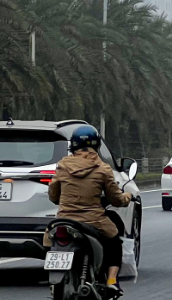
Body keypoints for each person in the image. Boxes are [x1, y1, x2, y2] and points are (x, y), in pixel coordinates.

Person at [48, 125, 134, 295]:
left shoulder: (62, 166)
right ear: (96, 146)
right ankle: (111, 281)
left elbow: (53, 195)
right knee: (115, 241)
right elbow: (115, 199)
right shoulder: (103, 169)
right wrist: (128, 197)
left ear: (72, 146)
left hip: (65, 219)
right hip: (93, 220)